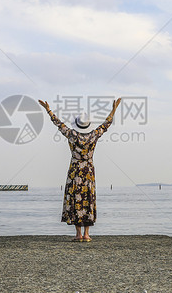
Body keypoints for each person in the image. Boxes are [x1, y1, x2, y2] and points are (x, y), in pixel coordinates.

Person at [38, 98, 122, 242]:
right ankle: (87, 234)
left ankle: (78, 235)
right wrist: (114, 109)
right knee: (88, 199)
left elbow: (58, 124)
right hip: (88, 170)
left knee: (76, 198)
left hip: (75, 170)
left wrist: (48, 110)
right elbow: (106, 124)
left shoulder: (72, 134)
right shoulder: (93, 135)